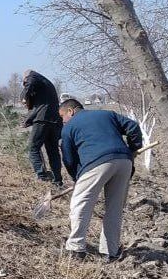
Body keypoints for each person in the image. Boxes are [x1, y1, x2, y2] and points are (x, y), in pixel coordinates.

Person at [59, 99, 142, 261]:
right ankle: (110, 252)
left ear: (71, 111)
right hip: (124, 162)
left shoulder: (68, 127)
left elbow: (68, 159)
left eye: (62, 116)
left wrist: (77, 177)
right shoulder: (107, 114)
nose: (62, 121)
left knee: (80, 203)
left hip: (96, 163)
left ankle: (76, 248)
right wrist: (132, 149)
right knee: (114, 208)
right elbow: (133, 127)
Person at [20, 69, 63, 186]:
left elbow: (31, 80)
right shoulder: (45, 85)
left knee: (33, 148)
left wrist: (24, 95)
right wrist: (28, 120)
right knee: (53, 151)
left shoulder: (33, 76)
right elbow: (41, 106)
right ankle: (58, 181)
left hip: (43, 120)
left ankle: (42, 177)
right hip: (54, 120)